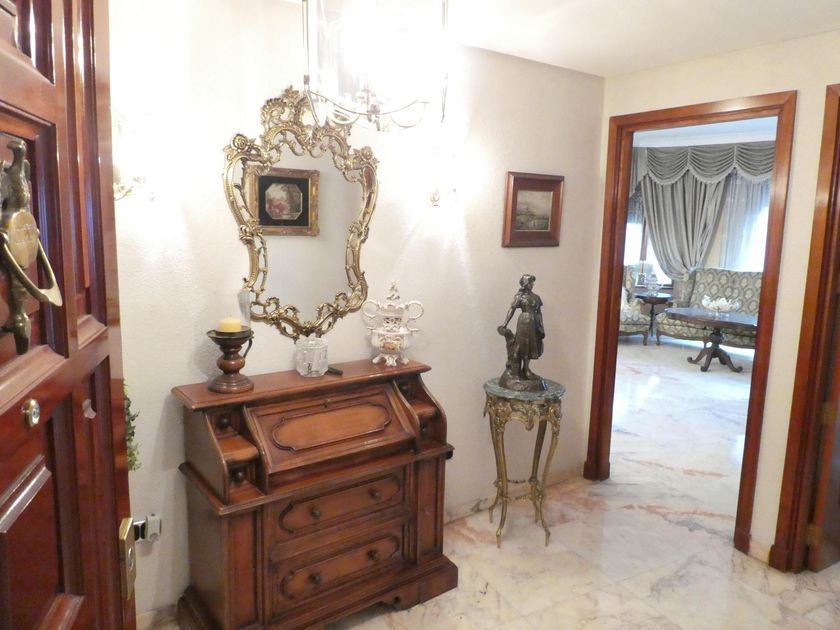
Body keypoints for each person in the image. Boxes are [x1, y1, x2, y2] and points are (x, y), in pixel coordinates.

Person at [498, 274, 546, 391]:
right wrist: (505, 323)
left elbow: (539, 313)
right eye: (530, 282)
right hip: (524, 321)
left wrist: (541, 326)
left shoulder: (536, 297)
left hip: (534, 322)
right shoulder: (519, 296)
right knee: (524, 344)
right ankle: (523, 370)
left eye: (533, 282)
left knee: (533, 344)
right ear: (526, 283)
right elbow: (512, 310)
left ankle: (527, 368)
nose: (532, 284)